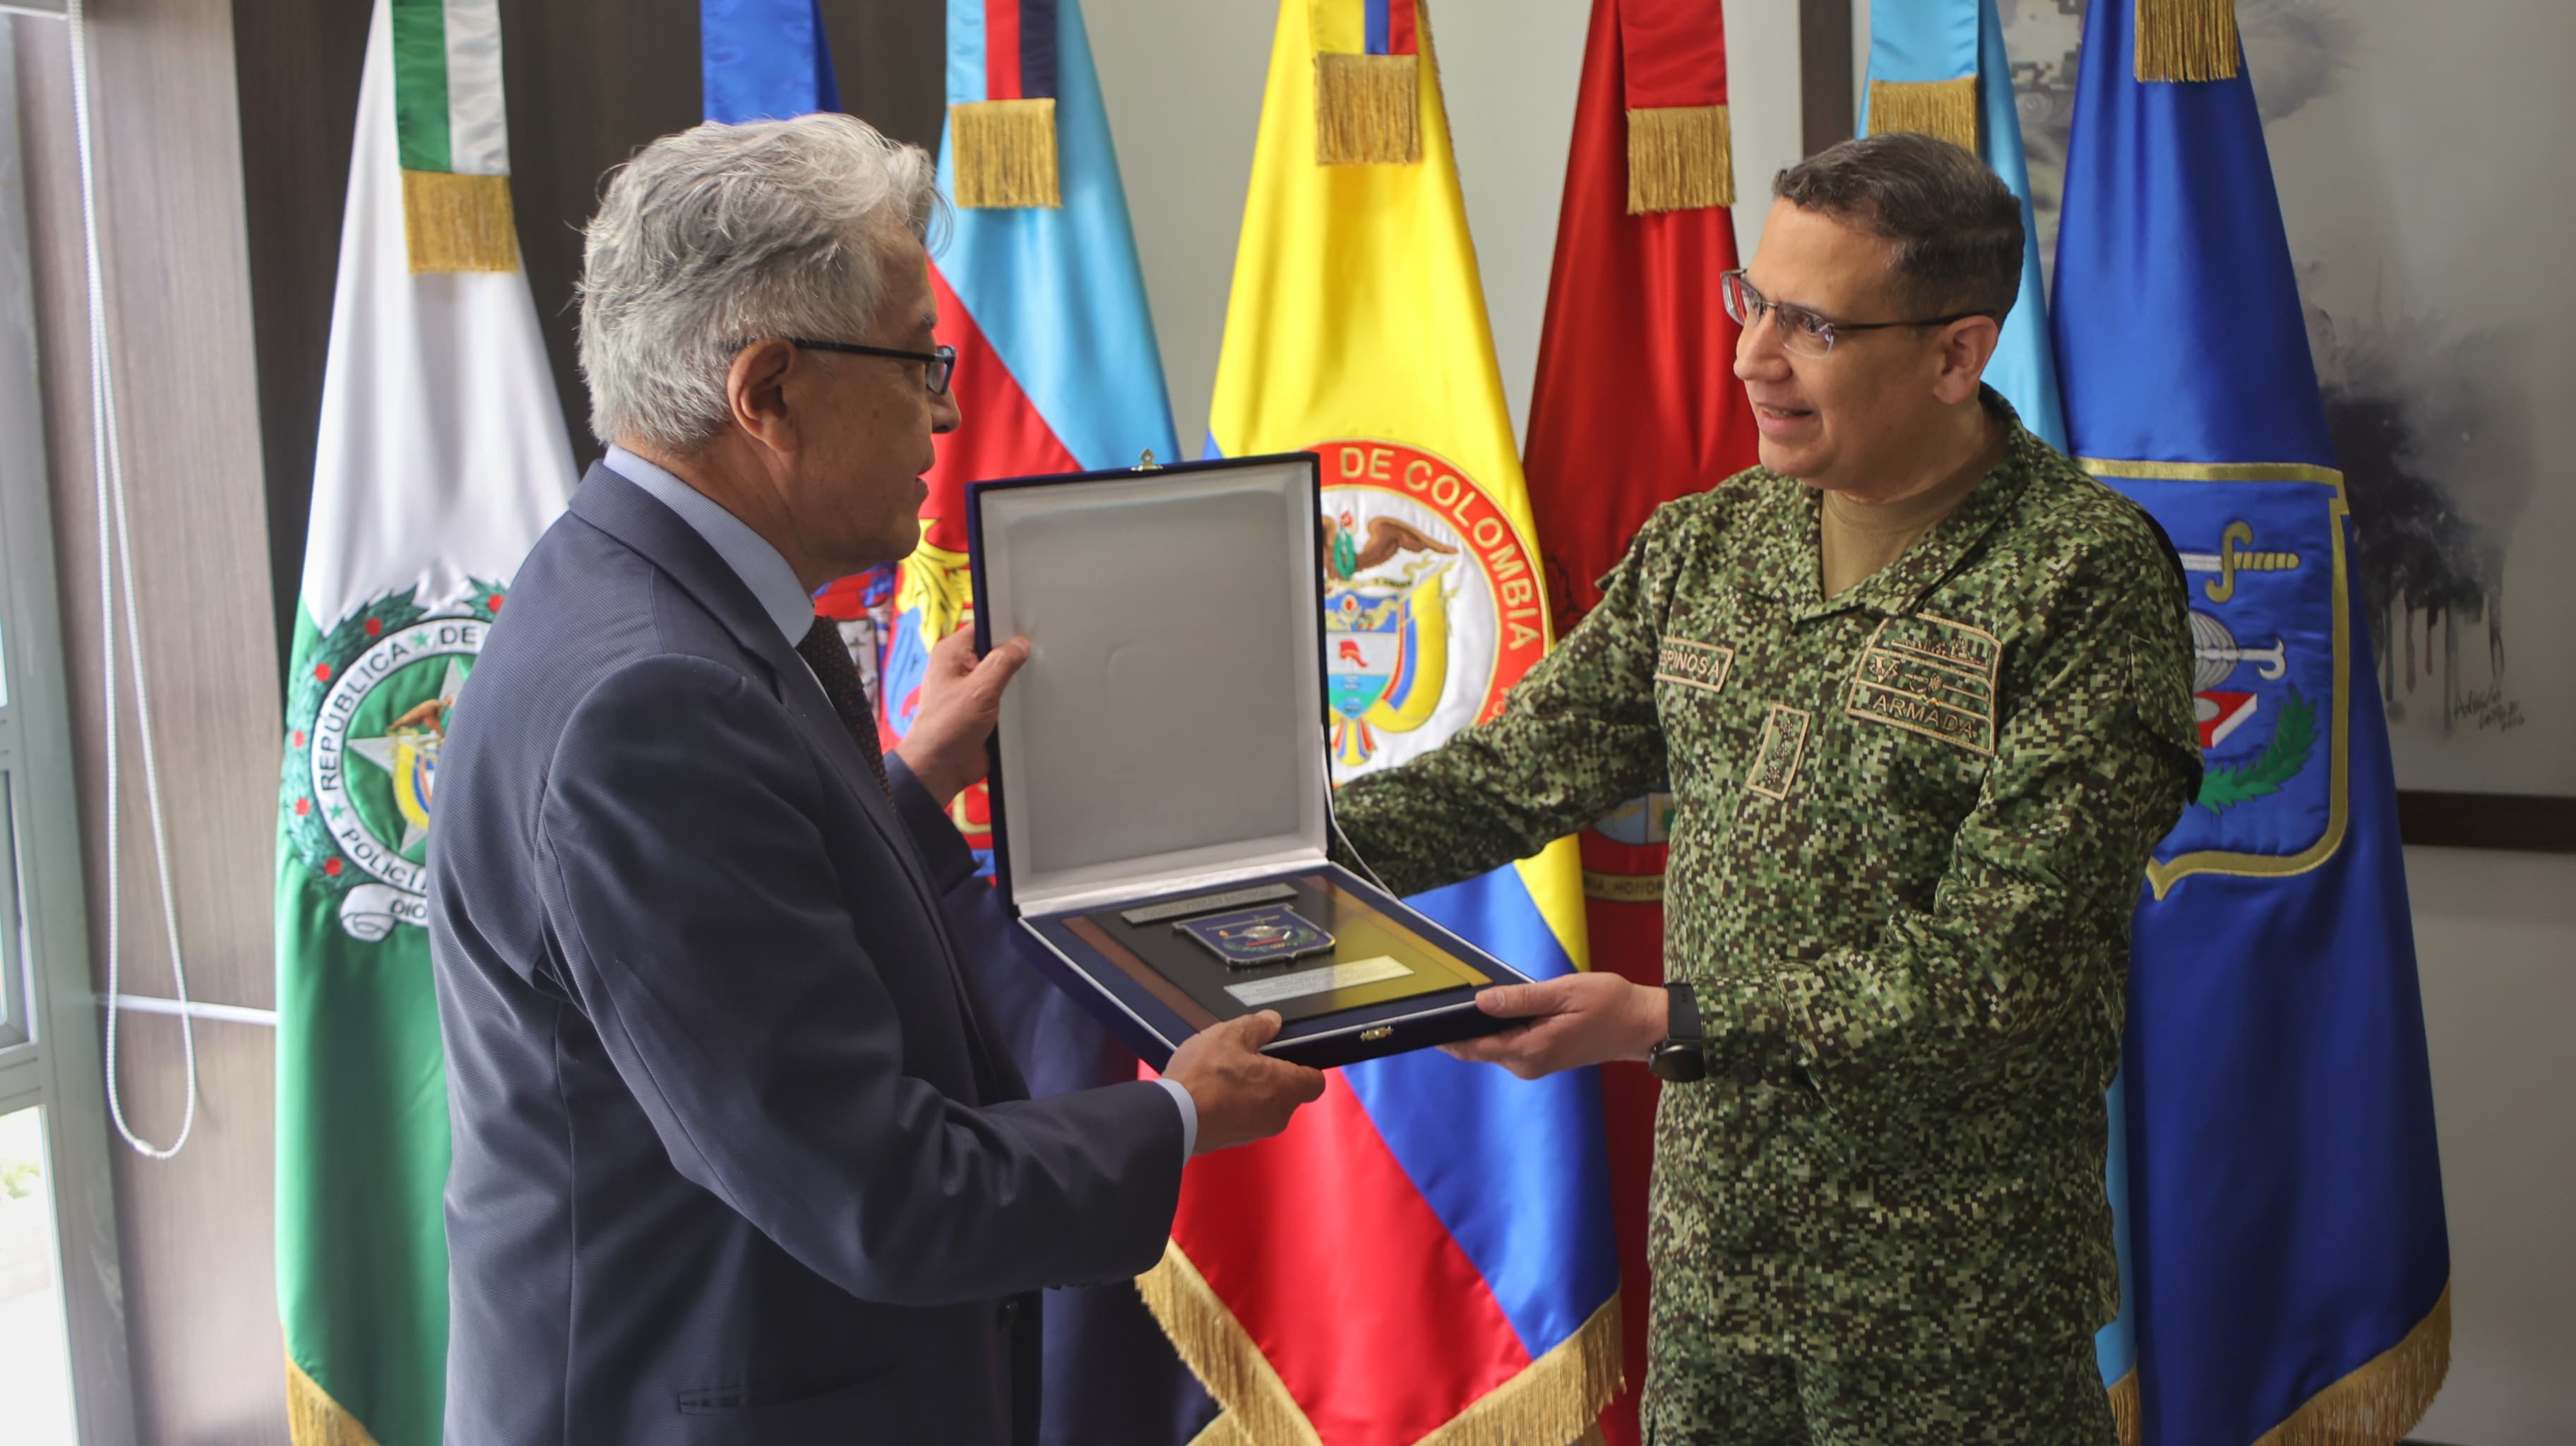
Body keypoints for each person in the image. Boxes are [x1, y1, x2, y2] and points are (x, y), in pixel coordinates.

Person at [426, 113, 1323, 1446]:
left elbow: (744, 932)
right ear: (768, 389)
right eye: (917, 362)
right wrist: (1180, 1116)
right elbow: (881, 1194)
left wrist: (907, 786)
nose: (951, 410)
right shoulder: (652, 703)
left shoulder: (655, 594)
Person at [1332, 133, 2202, 1445]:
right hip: (1718, 1277)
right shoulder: (1709, 541)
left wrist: (1665, 1017)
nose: (1751, 357)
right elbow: (1510, 777)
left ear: (1958, 354)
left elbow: (1998, 976)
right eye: (1752, 299)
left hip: (1952, 1310)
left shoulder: (2085, 582)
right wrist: (1265, 843)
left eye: (1813, 324)